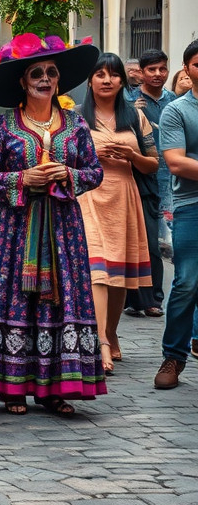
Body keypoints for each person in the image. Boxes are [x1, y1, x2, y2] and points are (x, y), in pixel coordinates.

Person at [0, 33, 104, 415]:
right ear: (23, 81)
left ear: (58, 81)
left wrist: (68, 173)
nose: (45, 79)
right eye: (37, 73)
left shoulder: (76, 126)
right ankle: (13, 387)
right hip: (16, 227)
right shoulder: (4, 127)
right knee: (16, 298)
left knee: (62, 298)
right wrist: (21, 180)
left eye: (51, 73)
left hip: (64, 229)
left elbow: (94, 172)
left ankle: (55, 387)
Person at [77, 54, 157, 374]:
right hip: (89, 196)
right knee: (97, 268)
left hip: (124, 195)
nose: (107, 80)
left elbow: (153, 164)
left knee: (119, 275)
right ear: (90, 81)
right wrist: (91, 154)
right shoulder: (77, 119)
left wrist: (132, 154)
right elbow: (64, 159)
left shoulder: (136, 117)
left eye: (113, 75)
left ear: (123, 80)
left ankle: (111, 330)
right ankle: (101, 342)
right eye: (100, 74)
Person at [153, 40, 198, 390]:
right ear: (187, 69)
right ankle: (174, 355)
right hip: (192, 206)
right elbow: (175, 161)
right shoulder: (178, 110)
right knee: (186, 281)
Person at [126, 48, 174, 315]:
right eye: (152, 69)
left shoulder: (175, 101)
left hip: (172, 178)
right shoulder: (130, 101)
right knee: (143, 240)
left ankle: (153, 298)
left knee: (159, 241)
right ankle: (138, 299)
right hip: (139, 177)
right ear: (141, 72)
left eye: (162, 69)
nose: (157, 74)